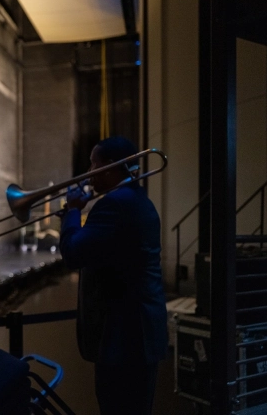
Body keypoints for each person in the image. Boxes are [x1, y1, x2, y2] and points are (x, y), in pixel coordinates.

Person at [59, 136, 167, 415]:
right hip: (138, 337)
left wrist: (72, 213)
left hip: (124, 339)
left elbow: (73, 254)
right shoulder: (136, 200)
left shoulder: (115, 204)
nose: (88, 172)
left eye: (93, 164)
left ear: (108, 167)